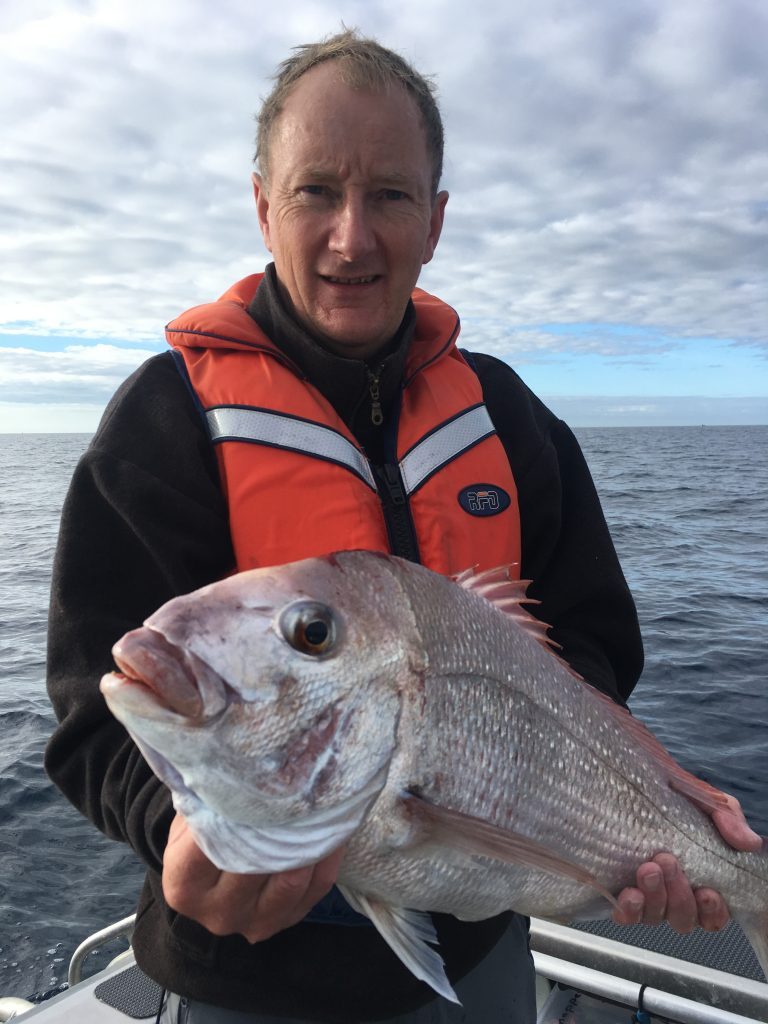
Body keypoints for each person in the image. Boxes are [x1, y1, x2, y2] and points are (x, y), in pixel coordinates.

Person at [46, 29, 760, 1024]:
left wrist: (628, 828)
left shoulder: (508, 415)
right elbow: (93, 705)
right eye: (315, 191)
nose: (353, 236)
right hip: (244, 981)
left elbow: (594, 647)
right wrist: (170, 819)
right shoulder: (163, 422)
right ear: (263, 205)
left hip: (480, 953)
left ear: (434, 219)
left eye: (388, 194)